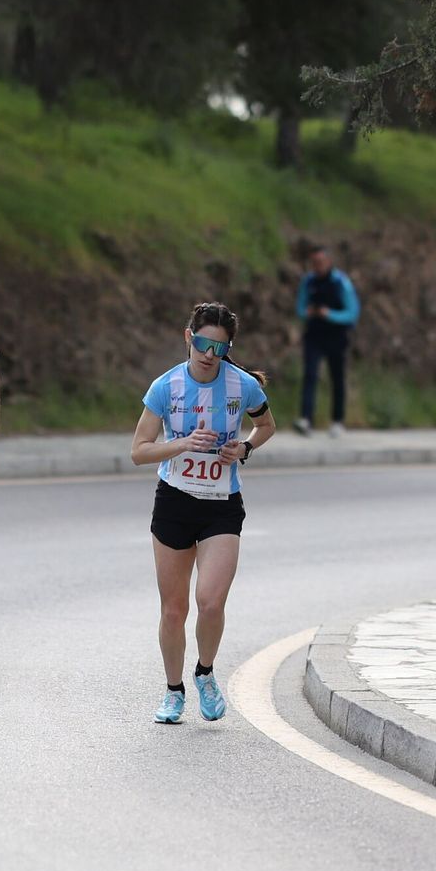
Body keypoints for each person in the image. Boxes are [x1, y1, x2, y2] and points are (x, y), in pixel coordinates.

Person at [131, 302, 276, 724]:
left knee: (210, 601)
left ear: (228, 347)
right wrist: (182, 444)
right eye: (201, 343)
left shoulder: (242, 385)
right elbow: (138, 451)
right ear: (187, 338)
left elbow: (266, 426)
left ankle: (205, 673)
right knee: (174, 610)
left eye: (218, 346)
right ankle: (173, 692)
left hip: (221, 506)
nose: (208, 354)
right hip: (175, 500)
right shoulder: (166, 386)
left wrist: (245, 447)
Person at [294, 245, 360, 438]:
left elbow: (352, 312)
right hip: (314, 334)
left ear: (329, 262)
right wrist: (309, 313)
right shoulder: (308, 281)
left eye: (321, 262)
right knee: (310, 374)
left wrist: (329, 314)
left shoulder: (340, 282)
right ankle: (306, 418)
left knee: (337, 377)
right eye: (314, 263)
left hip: (336, 336)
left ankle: (337, 420)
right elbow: (300, 308)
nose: (318, 266)